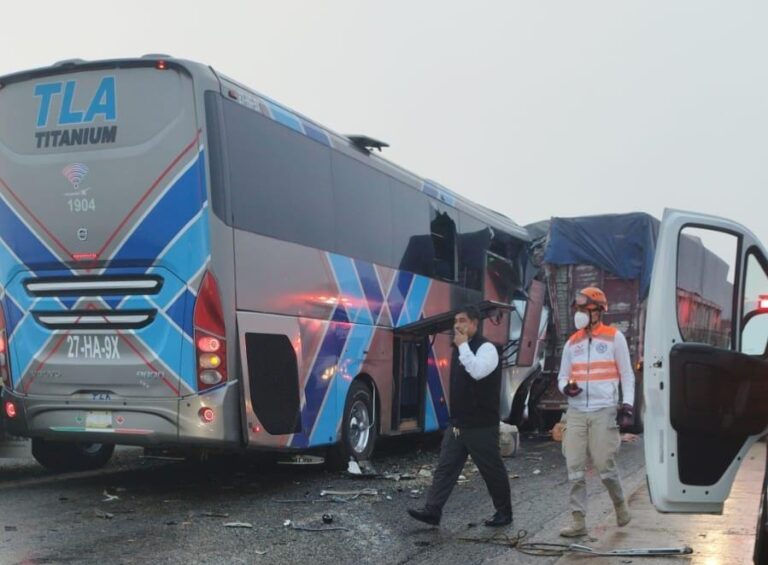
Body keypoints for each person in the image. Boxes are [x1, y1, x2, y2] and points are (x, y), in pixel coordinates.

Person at [407, 305, 513, 528]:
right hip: (458, 424)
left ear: (475, 323)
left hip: (481, 425)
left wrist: (463, 346)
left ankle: (504, 512)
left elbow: (477, 372)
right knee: (446, 468)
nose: (457, 325)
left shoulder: (487, 349)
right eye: (456, 321)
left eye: (463, 321)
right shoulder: (459, 349)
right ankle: (432, 511)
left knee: (491, 470)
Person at [557, 287, 635, 537]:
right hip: (577, 412)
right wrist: (566, 388)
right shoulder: (572, 343)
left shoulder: (614, 338)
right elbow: (562, 376)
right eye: (578, 309)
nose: (579, 314)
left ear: (598, 311)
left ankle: (620, 505)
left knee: (605, 466)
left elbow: (626, 374)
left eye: (584, 309)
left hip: (603, 410)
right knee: (575, 468)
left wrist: (628, 405)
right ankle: (578, 520)